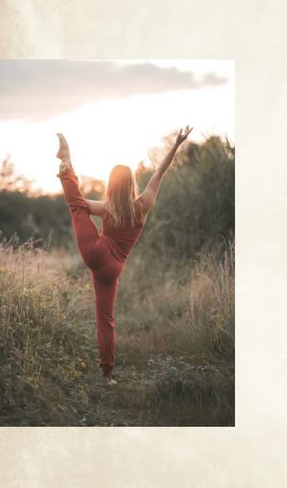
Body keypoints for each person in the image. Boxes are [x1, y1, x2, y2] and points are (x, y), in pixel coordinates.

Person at [55, 126, 193, 385]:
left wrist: (67, 179)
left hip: (96, 253)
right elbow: (160, 173)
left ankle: (66, 160)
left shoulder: (108, 208)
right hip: (114, 268)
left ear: (111, 184)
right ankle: (108, 375)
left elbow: (79, 204)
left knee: (76, 206)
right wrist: (176, 144)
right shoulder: (143, 205)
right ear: (131, 183)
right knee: (106, 319)